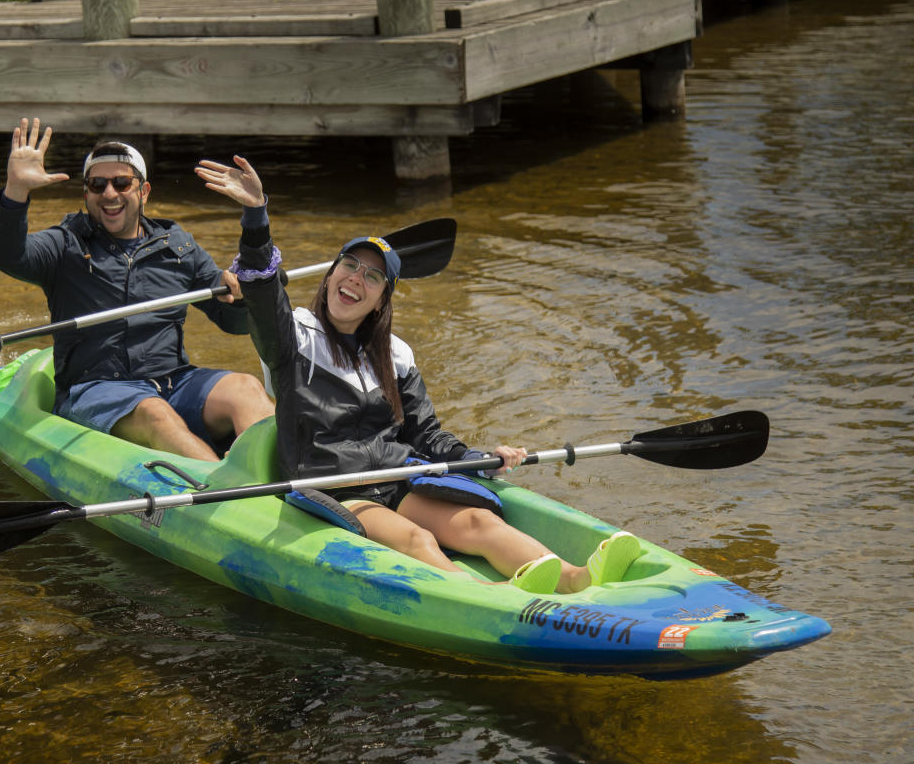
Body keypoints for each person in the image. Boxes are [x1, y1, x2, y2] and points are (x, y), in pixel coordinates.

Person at [194, 155, 641, 593]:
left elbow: (426, 436)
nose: (355, 279)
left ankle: (571, 577)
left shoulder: (396, 355)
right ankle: (487, 597)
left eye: (371, 277)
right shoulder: (294, 338)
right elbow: (263, 295)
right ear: (330, 276)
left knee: (477, 521)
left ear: (381, 300)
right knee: (416, 538)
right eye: (349, 266)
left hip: (395, 476)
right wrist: (256, 216)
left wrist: (477, 457)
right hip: (333, 486)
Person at [0, 118, 274, 461]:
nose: (110, 194)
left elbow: (235, 324)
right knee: (156, 415)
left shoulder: (178, 247)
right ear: (87, 193)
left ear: (143, 191)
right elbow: (4, 254)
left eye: (122, 183)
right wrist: (16, 192)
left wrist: (242, 298)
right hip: (97, 390)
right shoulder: (65, 245)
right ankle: (232, 497)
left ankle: (298, 483)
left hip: (175, 381)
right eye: (97, 184)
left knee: (246, 388)